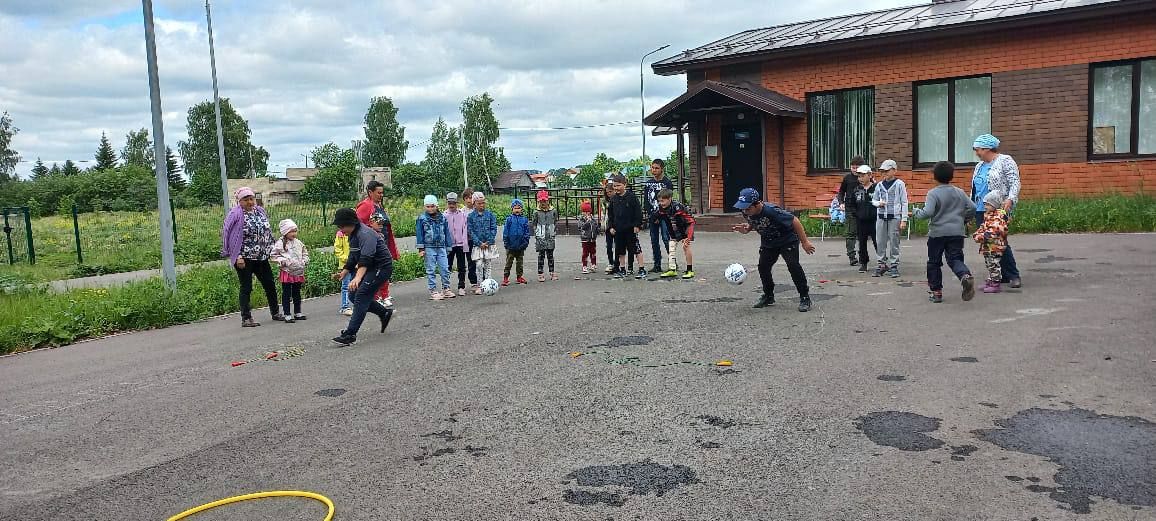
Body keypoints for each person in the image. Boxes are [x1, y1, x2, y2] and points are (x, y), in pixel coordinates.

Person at [731, 188, 816, 312]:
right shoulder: (746, 211)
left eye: (748, 208)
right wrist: (747, 229)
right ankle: (768, 296)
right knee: (763, 267)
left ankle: (804, 297)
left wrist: (805, 242)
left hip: (787, 240)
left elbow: (794, 221)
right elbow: (754, 222)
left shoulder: (771, 211)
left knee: (793, 266)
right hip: (768, 242)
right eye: (742, 208)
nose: (744, 211)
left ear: (757, 203)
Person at [913, 162, 977, 304]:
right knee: (955, 259)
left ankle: (936, 292)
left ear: (935, 176)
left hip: (937, 233)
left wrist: (917, 212)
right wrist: (964, 219)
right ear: (951, 176)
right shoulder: (959, 192)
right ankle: (965, 275)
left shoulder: (933, 193)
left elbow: (928, 212)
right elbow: (972, 207)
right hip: (957, 232)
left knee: (934, 262)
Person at [330, 208, 394, 346]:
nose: (341, 229)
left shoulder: (366, 234)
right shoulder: (352, 235)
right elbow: (353, 256)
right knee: (353, 295)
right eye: (339, 227)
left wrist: (358, 278)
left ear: (351, 223)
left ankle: (350, 334)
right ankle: (384, 313)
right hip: (370, 267)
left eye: (342, 226)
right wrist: (344, 272)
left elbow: (366, 258)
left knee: (361, 295)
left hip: (381, 267)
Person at [221, 186, 283, 327]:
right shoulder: (235, 214)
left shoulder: (259, 211)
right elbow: (230, 236)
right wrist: (237, 256)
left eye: (251, 199)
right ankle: (246, 318)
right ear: (239, 201)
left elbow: (267, 232)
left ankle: (276, 313)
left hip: (261, 256)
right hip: (244, 258)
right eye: (246, 199)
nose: (250, 202)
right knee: (246, 287)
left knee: (270, 284)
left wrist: (273, 249)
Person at [971, 133, 1022, 289]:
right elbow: (975, 189)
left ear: (987, 149)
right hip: (981, 209)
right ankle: (998, 275)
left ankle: (1013, 275)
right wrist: (970, 207)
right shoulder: (979, 166)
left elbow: (1015, 182)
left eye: (977, 149)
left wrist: (1011, 199)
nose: (976, 153)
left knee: (999, 242)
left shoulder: (1005, 161)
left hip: (998, 208)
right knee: (988, 244)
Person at [355, 180, 400, 307]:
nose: (381, 195)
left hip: (383, 241)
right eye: (378, 193)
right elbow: (357, 224)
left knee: (385, 267)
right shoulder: (365, 205)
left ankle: (384, 294)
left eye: (382, 193)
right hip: (372, 243)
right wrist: (371, 227)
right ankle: (374, 296)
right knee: (375, 270)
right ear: (370, 192)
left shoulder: (379, 205)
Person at [872, 159, 909, 278]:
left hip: (895, 217)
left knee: (894, 241)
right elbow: (874, 200)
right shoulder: (879, 185)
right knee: (880, 241)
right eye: (883, 171)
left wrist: (904, 219)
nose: (884, 173)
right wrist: (879, 204)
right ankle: (881, 264)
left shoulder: (899, 184)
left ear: (894, 170)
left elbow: (904, 202)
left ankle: (894, 265)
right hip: (881, 217)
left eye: (887, 171)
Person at [270, 218, 309, 323]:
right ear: (285, 232)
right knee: (286, 293)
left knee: (297, 293)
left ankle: (298, 312)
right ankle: (287, 314)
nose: (294, 233)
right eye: (291, 231)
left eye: (295, 231)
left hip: (298, 271)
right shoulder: (280, 243)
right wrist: (283, 261)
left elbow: (305, 252)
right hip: (287, 272)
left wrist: (305, 261)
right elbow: (273, 256)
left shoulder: (298, 243)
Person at [416, 194, 454, 301]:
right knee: (431, 269)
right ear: (425, 207)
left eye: (432, 206)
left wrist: (448, 246)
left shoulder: (443, 218)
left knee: (445, 268)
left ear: (436, 206)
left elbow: (447, 232)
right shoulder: (422, 218)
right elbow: (420, 234)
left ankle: (446, 288)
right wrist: (421, 248)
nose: (430, 209)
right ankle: (433, 290)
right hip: (429, 247)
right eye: (428, 206)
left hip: (441, 246)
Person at [654, 188, 696, 279]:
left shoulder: (678, 207)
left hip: (686, 227)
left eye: (663, 201)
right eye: (659, 201)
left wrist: (688, 237)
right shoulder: (661, 208)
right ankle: (672, 269)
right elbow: (665, 219)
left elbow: (691, 221)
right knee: (671, 246)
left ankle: (690, 270)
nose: (661, 203)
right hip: (675, 228)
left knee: (686, 246)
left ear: (670, 199)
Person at [641, 158, 674, 273]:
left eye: (656, 168)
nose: (654, 170)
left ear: (662, 169)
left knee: (666, 239)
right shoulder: (649, 183)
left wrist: (660, 215)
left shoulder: (667, 183)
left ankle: (672, 263)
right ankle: (657, 264)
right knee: (654, 240)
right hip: (652, 216)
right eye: (652, 168)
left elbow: (669, 201)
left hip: (665, 216)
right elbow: (646, 201)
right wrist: (651, 215)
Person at [607, 174, 643, 279]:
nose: (616, 188)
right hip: (618, 229)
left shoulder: (632, 197)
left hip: (631, 229)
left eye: (618, 185)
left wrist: (637, 225)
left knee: (636, 249)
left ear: (625, 185)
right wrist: (611, 227)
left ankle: (641, 269)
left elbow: (638, 212)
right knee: (620, 250)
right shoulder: (613, 199)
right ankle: (622, 269)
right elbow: (611, 215)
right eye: (614, 186)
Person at [973, 191, 1010, 294]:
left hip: (995, 246)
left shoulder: (998, 218)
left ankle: (996, 283)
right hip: (988, 246)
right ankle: (991, 280)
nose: (985, 206)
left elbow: (994, 231)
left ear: (994, 205)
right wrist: (978, 232)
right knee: (989, 264)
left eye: (988, 204)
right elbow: (983, 226)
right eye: (984, 204)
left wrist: (981, 236)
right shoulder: (989, 215)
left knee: (994, 264)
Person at [837, 155, 867, 266]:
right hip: (850, 208)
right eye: (853, 167)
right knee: (851, 233)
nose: (854, 170)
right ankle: (851, 256)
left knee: (862, 234)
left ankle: (863, 256)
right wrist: (841, 203)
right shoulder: (847, 178)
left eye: (857, 168)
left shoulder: (866, 177)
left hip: (863, 208)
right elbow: (841, 192)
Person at [467, 192, 498, 293]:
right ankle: (480, 285)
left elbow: (493, 228)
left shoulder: (490, 214)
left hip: (488, 244)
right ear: (474, 204)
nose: (482, 205)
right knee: (479, 264)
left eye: (483, 203)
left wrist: (488, 241)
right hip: (478, 245)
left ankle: (489, 285)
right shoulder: (471, 216)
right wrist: (479, 242)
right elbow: (471, 231)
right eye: (479, 203)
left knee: (488, 264)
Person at [849, 165, 877, 273]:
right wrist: (857, 214)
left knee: (877, 241)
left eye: (863, 176)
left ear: (869, 175)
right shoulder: (856, 190)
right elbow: (851, 204)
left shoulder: (876, 188)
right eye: (859, 176)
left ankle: (882, 262)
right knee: (862, 243)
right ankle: (864, 263)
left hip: (874, 220)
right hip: (861, 221)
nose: (860, 178)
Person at [445, 191, 470, 296]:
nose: (452, 205)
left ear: (457, 203)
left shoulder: (462, 215)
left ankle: (461, 286)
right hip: (449, 245)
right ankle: (446, 287)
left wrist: (465, 244)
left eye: (454, 203)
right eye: (450, 203)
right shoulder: (444, 216)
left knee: (461, 266)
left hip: (460, 244)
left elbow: (465, 229)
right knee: (447, 266)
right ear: (447, 203)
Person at [502, 198, 531, 286]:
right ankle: (506, 277)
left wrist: (525, 243)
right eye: (515, 208)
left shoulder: (524, 220)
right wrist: (506, 243)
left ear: (522, 209)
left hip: (521, 245)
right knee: (509, 262)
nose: (517, 210)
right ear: (512, 209)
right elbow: (505, 232)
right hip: (511, 246)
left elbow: (527, 232)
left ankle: (519, 277)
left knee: (520, 263)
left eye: (519, 208)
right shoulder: (509, 220)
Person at [532, 190, 559, 282]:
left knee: (550, 255)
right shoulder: (536, 212)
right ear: (538, 201)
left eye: (545, 201)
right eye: (541, 201)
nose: (543, 203)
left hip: (550, 236)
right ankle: (540, 273)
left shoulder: (553, 211)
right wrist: (537, 233)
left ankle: (552, 272)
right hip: (541, 237)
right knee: (541, 256)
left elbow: (555, 221)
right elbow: (534, 223)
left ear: (548, 201)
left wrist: (554, 231)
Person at [460, 187, 479, 293]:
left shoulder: (477, 210)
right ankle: (473, 283)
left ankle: (482, 281)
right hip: (467, 240)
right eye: (466, 198)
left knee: (480, 261)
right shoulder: (461, 211)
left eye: (470, 197)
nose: (468, 200)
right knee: (471, 262)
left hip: (478, 240)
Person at [333, 228, 352, 316]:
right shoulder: (340, 234)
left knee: (358, 285)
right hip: (345, 265)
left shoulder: (356, 233)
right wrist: (347, 259)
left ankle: (358, 305)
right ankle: (345, 307)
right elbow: (337, 249)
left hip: (356, 264)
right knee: (346, 286)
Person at [577, 200, 600, 274]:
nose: (587, 213)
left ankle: (593, 264)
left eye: (588, 212)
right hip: (585, 239)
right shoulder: (581, 219)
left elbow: (595, 227)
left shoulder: (593, 219)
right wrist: (587, 222)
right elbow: (581, 227)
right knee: (585, 253)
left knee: (593, 252)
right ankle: (584, 266)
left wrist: (597, 230)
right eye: (585, 212)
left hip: (593, 239)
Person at [601, 177, 617, 274]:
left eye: (610, 191)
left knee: (618, 246)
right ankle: (611, 262)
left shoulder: (617, 200)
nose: (609, 194)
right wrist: (603, 225)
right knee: (609, 246)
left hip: (617, 225)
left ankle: (617, 263)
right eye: (607, 192)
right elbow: (604, 214)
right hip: (608, 225)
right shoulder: (605, 201)